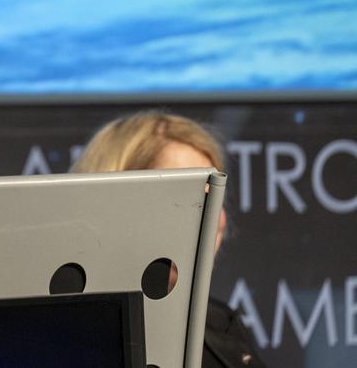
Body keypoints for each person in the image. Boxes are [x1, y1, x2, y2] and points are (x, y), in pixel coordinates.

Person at [72, 111, 270, 368]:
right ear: (113, 202)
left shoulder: (222, 325)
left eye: (214, 196)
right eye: (185, 196)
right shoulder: (68, 333)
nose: (210, 217)